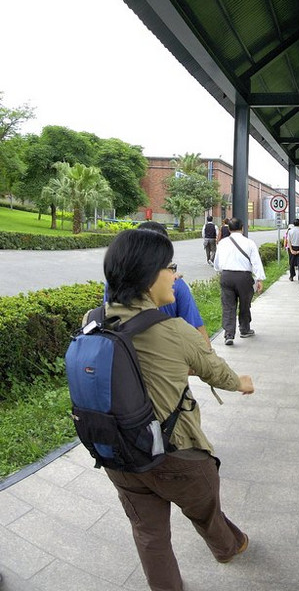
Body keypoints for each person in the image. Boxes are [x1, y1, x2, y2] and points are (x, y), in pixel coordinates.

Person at [95, 228, 255, 591]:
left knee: (149, 534)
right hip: (175, 454)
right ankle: (228, 547)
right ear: (148, 276)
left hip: (118, 455)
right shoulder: (173, 330)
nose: (176, 274)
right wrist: (242, 383)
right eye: (169, 267)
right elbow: (216, 370)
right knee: (205, 509)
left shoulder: (95, 321)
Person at [104, 222, 212, 348]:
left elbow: (108, 320)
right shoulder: (177, 285)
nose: (173, 275)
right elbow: (198, 333)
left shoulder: (112, 284)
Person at [213, 217, 265, 345]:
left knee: (228, 306)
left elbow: (217, 264)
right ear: (242, 228)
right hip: (244, 277)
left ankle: (229, 335)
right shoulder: (249, 243)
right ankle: (244, 329)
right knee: (245, 304)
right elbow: (256, 262)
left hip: (226, 276)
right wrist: (259, 279)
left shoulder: (222, 243)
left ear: (229, 229)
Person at [286, 218, 299, 282]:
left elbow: (288, 241)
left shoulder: (290, 231)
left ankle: (291, 276)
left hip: (292, 247)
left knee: (291, 263)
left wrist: (291, 250)